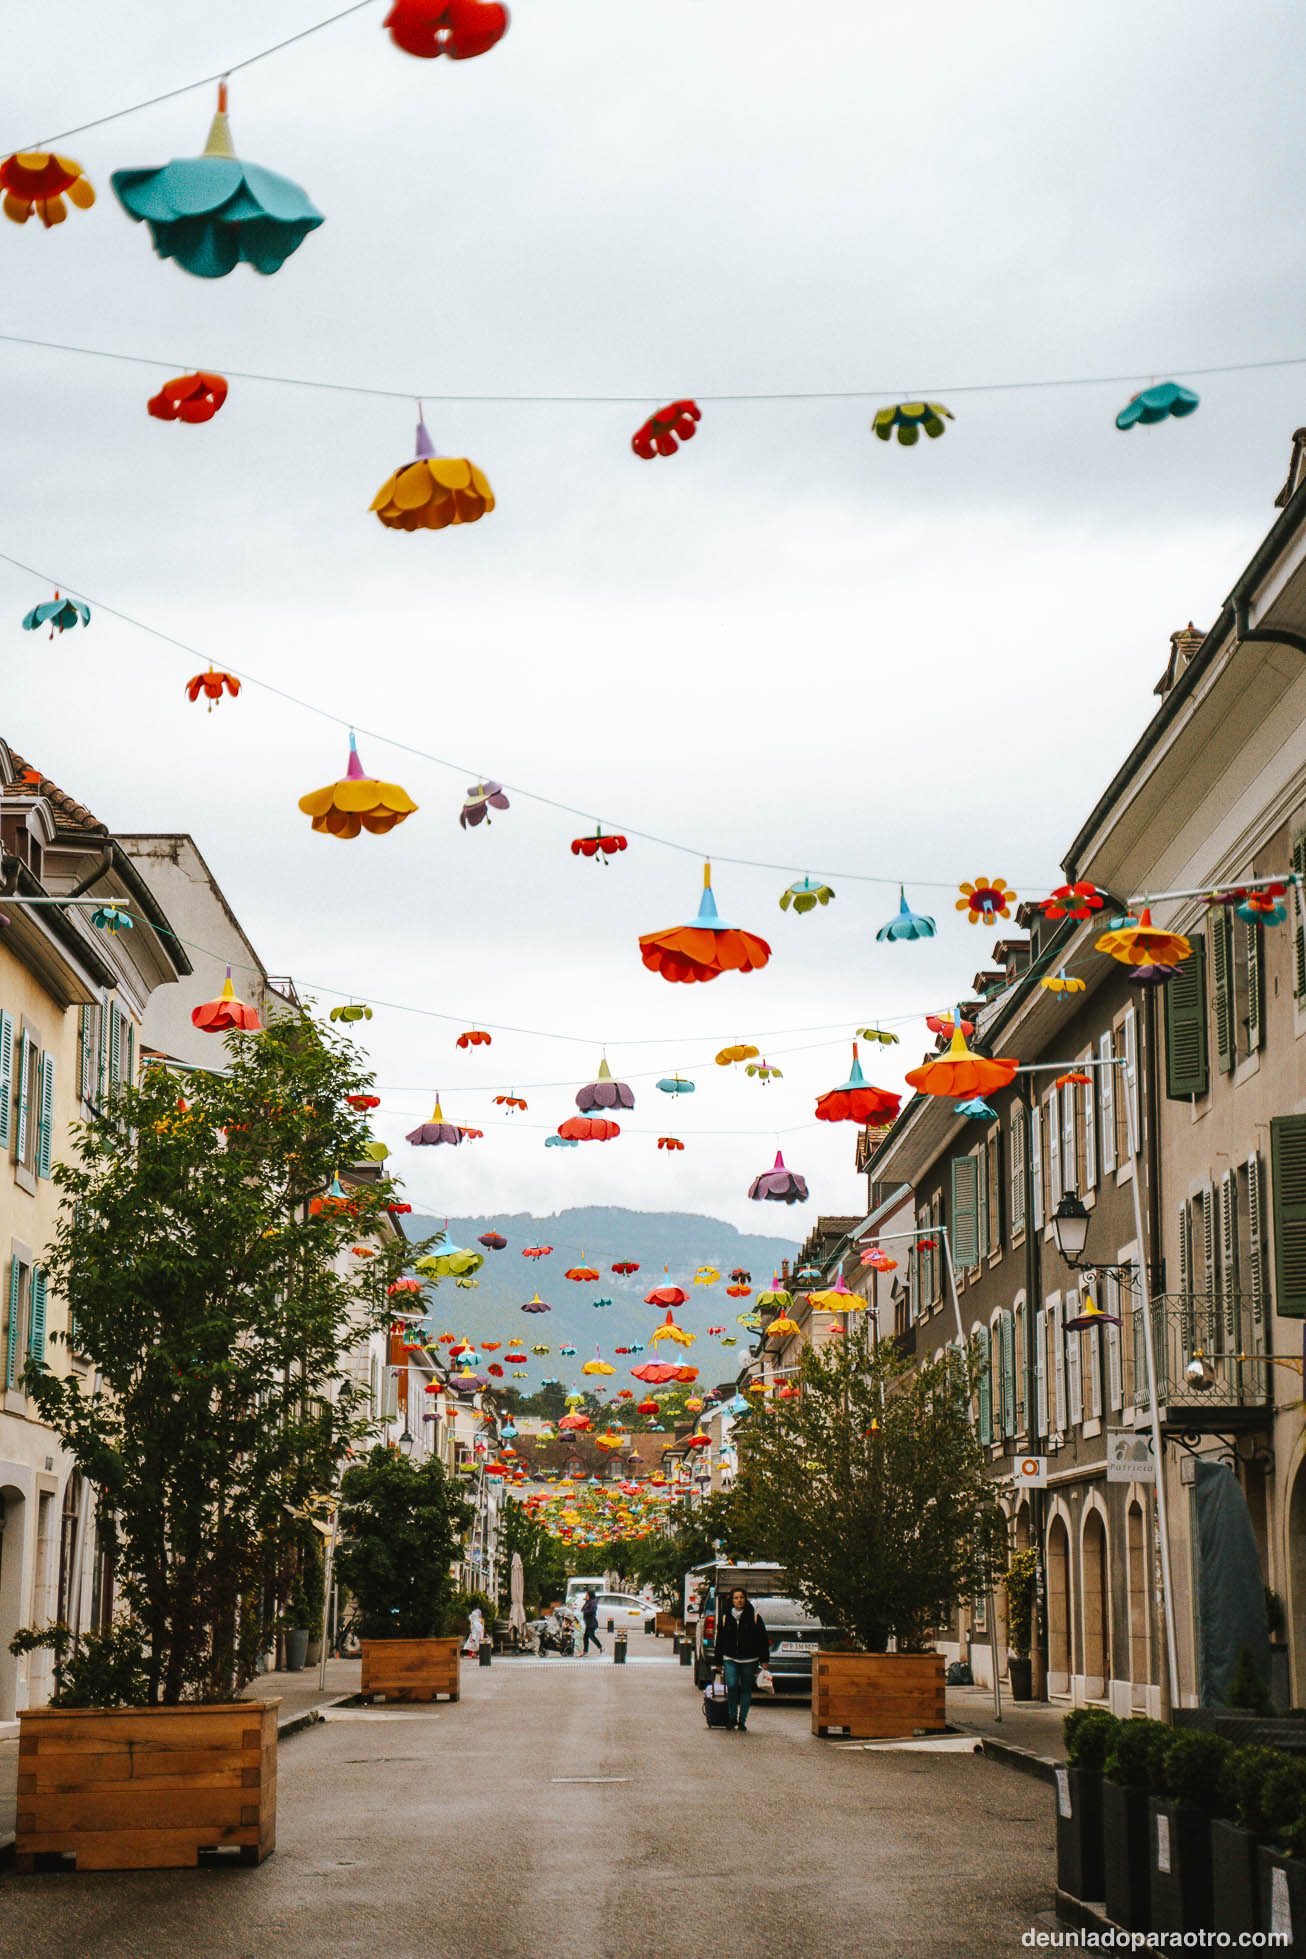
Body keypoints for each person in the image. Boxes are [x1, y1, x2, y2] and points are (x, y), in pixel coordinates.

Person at [712, 1587, 769, 1732]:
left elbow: (762, 1639)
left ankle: (742, 1721)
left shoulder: (754, 1616)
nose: (739, 1600)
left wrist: (764, 1659)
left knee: (745, 1689)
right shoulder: (726, 1617)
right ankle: (732, 1717)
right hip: (730, 1657)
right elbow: (720, 1639)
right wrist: (717, 1661)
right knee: (731, 1686)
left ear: (745, 1599)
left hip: (750, 1659)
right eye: (736, 1598)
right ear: (732, 1600)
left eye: (741, 1597)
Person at [581, 1589, 603, 1656]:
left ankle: (601, 1647)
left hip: (592, 1622)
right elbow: (582, 1609)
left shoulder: (593, 1602)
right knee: (585, 1637)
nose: (586, 1596)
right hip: (588, 1622)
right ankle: (585, 1651)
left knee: (591, 1636)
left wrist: (585, 1612)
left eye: (587, 1595)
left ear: (590, 1595)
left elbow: (592, 1610)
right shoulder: (588, 1602)